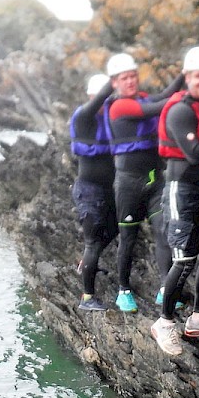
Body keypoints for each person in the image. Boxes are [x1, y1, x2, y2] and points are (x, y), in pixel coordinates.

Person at [151, 45, 199, 356]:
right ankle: (164, 323)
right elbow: (195, 152)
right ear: (187, 77)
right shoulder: (180, 109)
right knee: (184, 260)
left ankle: (198, 316)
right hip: (182, 188)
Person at [104, 52, 184, 313]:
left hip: (154, 179)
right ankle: (123, 290)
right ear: (115, 83)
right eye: (124, 78)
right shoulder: (119, 106)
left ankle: (165, 288)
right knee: (128, 237)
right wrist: (185, 93)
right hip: (128, 183)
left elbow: (161, 97)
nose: (130, 81)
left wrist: (186, 74)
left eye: (133, 76)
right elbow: (158, 107)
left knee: (163, 230)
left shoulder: (142, 98)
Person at [69, 72, 117, 311]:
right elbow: (98, 101)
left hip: (106, 189)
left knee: (115, 228)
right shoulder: (83, 116)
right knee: (93, 242)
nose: (105, 105)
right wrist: (114, 80)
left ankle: (86, 263)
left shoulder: (110, 120)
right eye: (102, 100)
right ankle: (87, 298)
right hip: (88, 191)